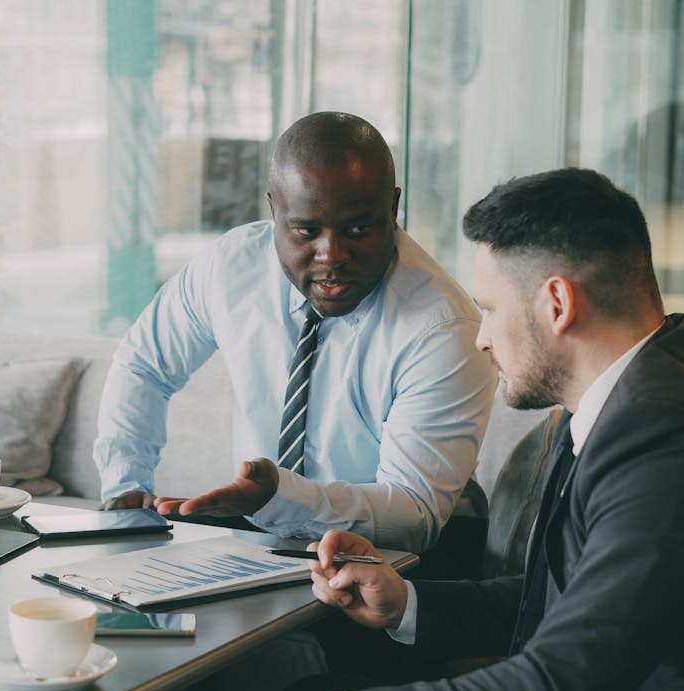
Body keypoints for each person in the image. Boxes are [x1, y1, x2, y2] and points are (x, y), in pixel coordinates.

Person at [283, 168, 684, 691]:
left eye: (491, 309)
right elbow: (574, 600)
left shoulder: (670, 435)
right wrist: (406, 602)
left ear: (556, 304)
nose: (481, 338)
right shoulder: (644, 391)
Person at [95, 111, 496, 554]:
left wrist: (280, 498)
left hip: (403, 564)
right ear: (274, 210)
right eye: (306, 231)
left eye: (358, 229)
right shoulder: (232, 267)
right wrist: (125, 486)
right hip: (262, 533)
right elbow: (145, 362)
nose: (332, 256)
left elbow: (413, 516)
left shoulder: (443, 329)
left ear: (394, 207)